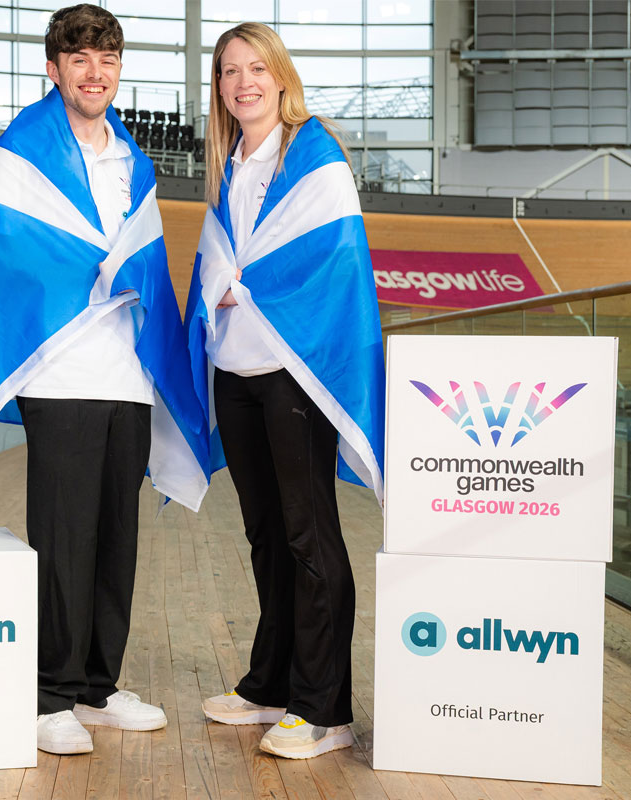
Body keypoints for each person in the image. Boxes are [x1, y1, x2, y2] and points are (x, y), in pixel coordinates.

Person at [0, 4, 208, 755]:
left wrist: (123, 278)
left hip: (126, 376)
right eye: (79, 58)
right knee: (64, 536)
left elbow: (144, 261)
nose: (95, 71)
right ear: (54, 68)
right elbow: (0, 258)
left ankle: (98, 687)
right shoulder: (18, 155)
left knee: (117, 536)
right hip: (59, 373)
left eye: (107, 58)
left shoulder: (132, 159)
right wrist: (83, 272)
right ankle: (49, 694)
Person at [183, 22, 385, 760]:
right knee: (266, 534)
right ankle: (270, 684)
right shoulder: (230, 163)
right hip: (236, 372)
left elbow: (329, 257)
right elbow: (218, 264)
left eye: (254, 67)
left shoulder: (314, 152)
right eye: (228, 72)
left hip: (294, 372)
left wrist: (247, 286)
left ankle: (325, 708)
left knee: (308, 535)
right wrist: (224, 288)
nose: (243, 82)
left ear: (279, 74)